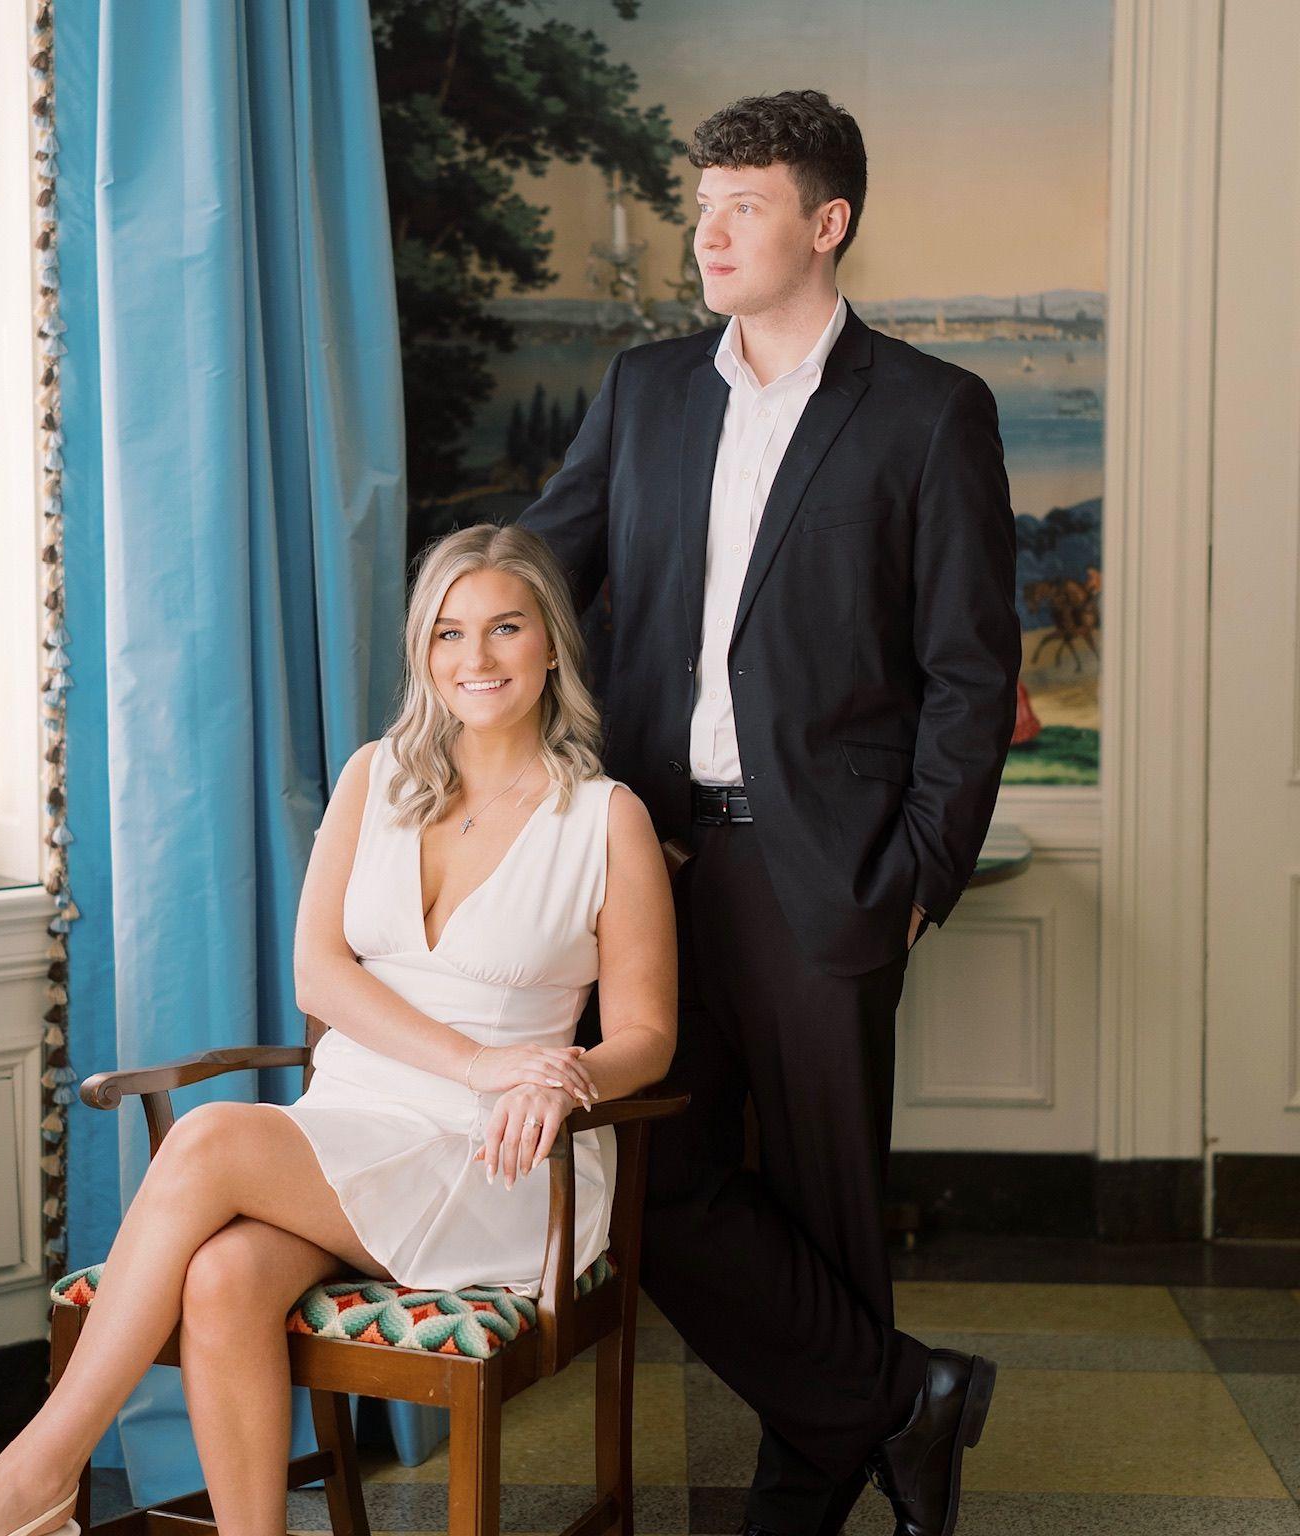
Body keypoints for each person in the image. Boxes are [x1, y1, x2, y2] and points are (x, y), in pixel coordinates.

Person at [0, 523, 677, 1536]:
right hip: (353, 1128)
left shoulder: (606, 818)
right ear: (423, 649)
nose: (476, 656)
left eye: (506, 627)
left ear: (552, 645)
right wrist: (477, 1058)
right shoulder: (375, 777)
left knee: (207, 1140)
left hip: (498, 1160)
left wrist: (559, 1077)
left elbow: (648, 1033)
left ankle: (31, 1486)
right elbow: (318, 973)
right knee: (224, 1276)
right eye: (448, 632)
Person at [518, 89, 1019, 1536]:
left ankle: (802, 1506)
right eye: (703, 207)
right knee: (650, 1184)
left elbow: (970, 674)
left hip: (831, 875)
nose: (710, 234)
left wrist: (915, 877)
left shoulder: (929, 410)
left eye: (744, 207)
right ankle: (906, 1399)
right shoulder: (645, 390)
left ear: (827, 222)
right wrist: (454, 651)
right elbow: (536, 578)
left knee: (825, 1207)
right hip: (654, 867)